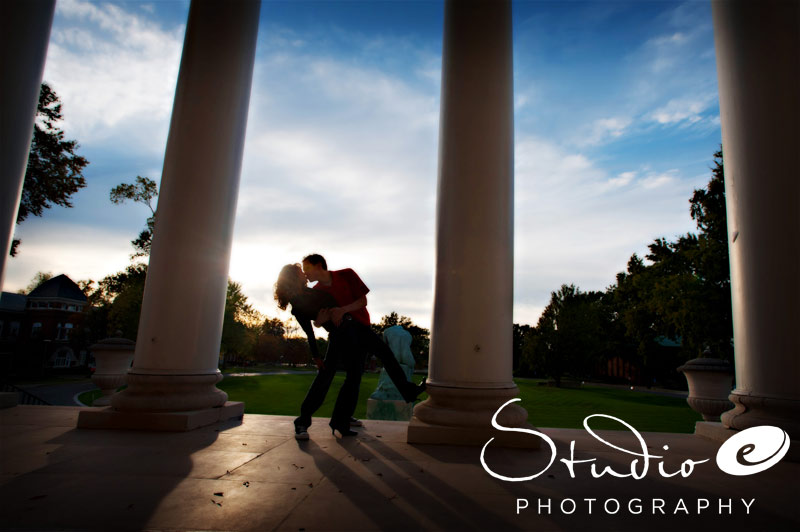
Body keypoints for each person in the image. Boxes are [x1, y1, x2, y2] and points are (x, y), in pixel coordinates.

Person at [274, 262, 425, 440]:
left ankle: (341, 420)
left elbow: (329, 311)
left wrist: (323, 320)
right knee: (327, 378)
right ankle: (303, 423)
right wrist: (316, 353)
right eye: (301, 272)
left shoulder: (312, 291)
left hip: (354, 328)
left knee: (371, 363)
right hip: (341, 334)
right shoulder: (298, 305)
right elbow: (310, 331)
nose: (304, 274)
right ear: (293, 277)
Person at [300, 254, 425, 402]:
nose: (305, 273)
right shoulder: (316, 292)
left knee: (356, 375)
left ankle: (342, 419)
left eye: (306, 268)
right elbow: (319, 319)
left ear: (319, 265)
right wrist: (318, 323)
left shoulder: (347, 274)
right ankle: (409, 392)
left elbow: (362, 301)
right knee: (379, 359)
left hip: (362, 327)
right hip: (345, 335)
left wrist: (343, 310)